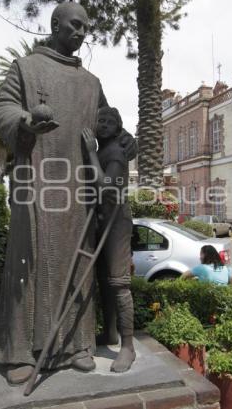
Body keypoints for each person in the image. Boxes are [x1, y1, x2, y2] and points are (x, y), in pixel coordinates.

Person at [0, 2, 137, 385]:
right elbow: (2, 107)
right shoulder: (25, 68)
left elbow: (109, 125)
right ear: (55, 24)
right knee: (32, 263)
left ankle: (76, 346)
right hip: (36, 185)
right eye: (74, 26)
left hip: (77, 193)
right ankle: (20, 352)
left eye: (85, 28)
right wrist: (25, 119)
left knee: (78, 269)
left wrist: (125, 140)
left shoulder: (91, 83)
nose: (81, 33)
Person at [82, 106, 136, 373]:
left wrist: (90, 153)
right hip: (101, 220)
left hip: (116, 222)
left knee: (118, 283)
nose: (103, 124)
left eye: (109, 121)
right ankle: (111, 333)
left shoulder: (114, 151)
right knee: (104, 281)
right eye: (99, 120)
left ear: (118, 127)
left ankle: (128, 347)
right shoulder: (103, 149)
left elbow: (106, 187)